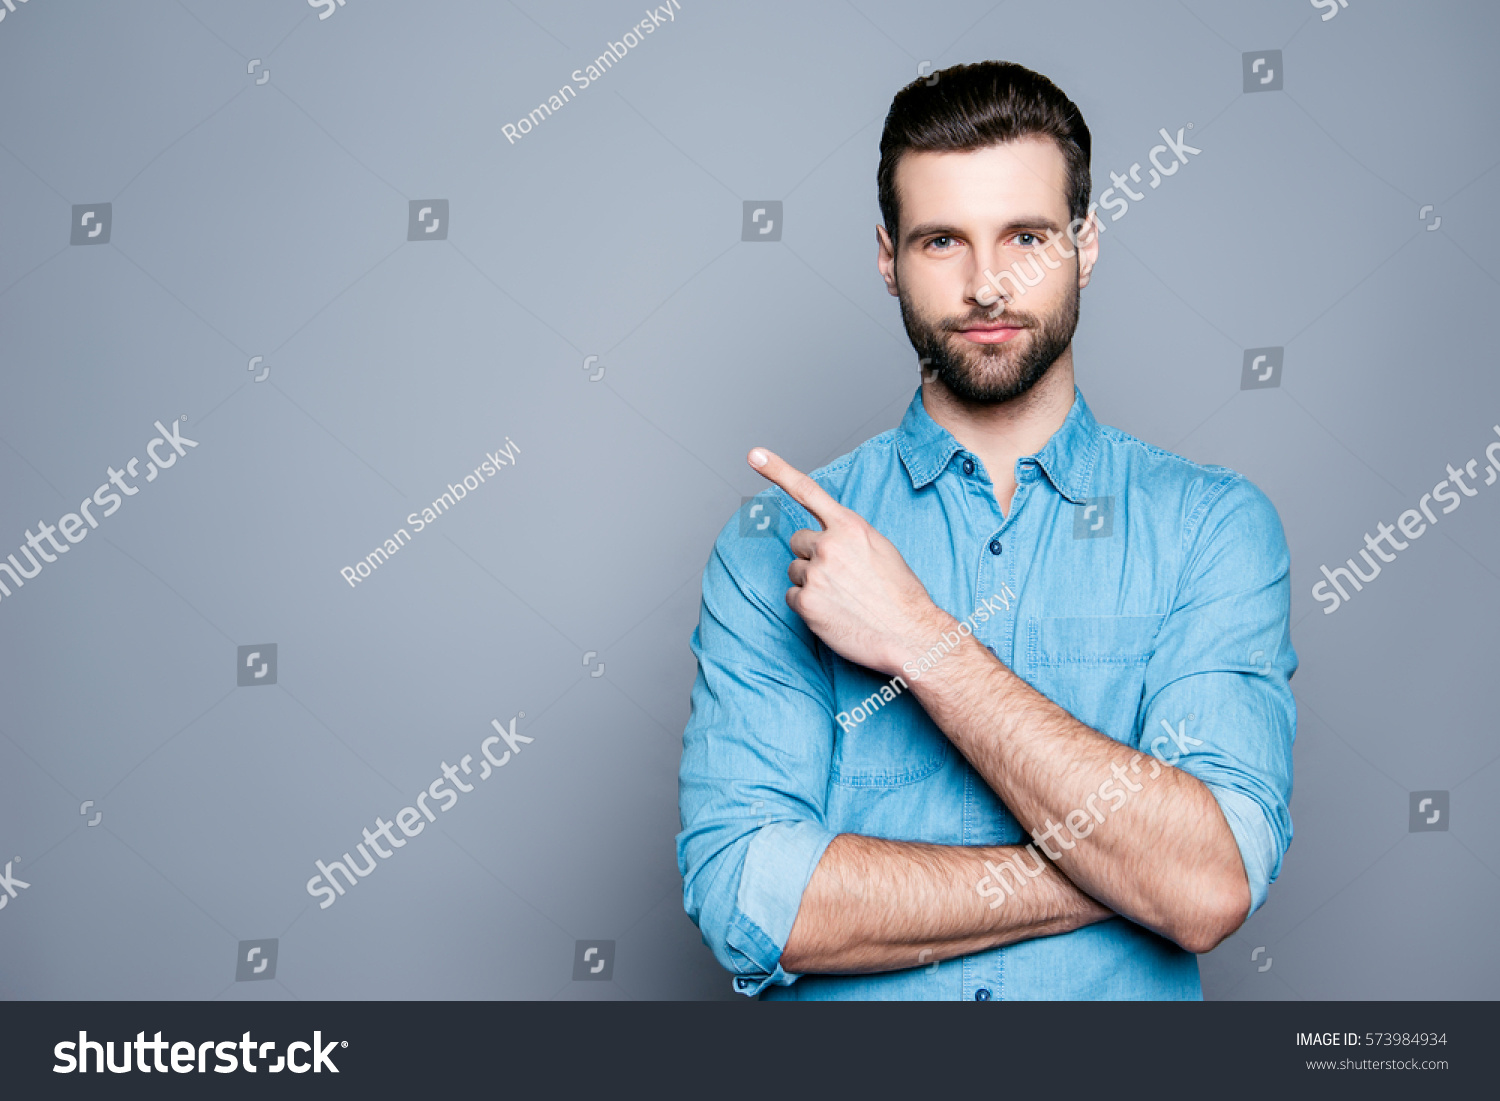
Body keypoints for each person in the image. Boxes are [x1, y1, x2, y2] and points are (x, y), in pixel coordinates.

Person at [676, 60, 1296, 1000]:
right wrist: (1122, 873)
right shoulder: (776, 541)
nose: (987, 285)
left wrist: (918, 638)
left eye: (1028, 236)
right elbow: (749, 898)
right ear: (887, 257)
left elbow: (1207, 886)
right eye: (941, 242)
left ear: (1086, 245)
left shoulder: (1213, 528)